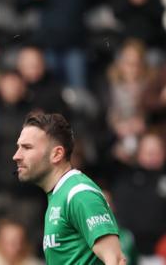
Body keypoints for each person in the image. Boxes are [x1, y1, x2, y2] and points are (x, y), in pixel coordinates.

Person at [12, 112, 126, 264]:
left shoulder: (79, 193)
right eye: (18, 147)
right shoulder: (58, 195)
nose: (16, 156)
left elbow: (117, 260)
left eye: (27, 147)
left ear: (57, 154)